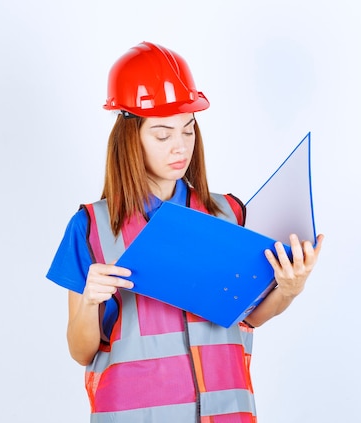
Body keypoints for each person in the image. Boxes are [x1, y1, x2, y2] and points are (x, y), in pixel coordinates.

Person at [46, 41, 324, 423]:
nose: (180, 147)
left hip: (227, 413)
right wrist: (91, 301)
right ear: (130, 137)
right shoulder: (92, 227)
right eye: (163, 135)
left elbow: (249, 316)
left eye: (188, 131)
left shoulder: (229, 213)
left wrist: (289, 289)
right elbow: (81, 351)